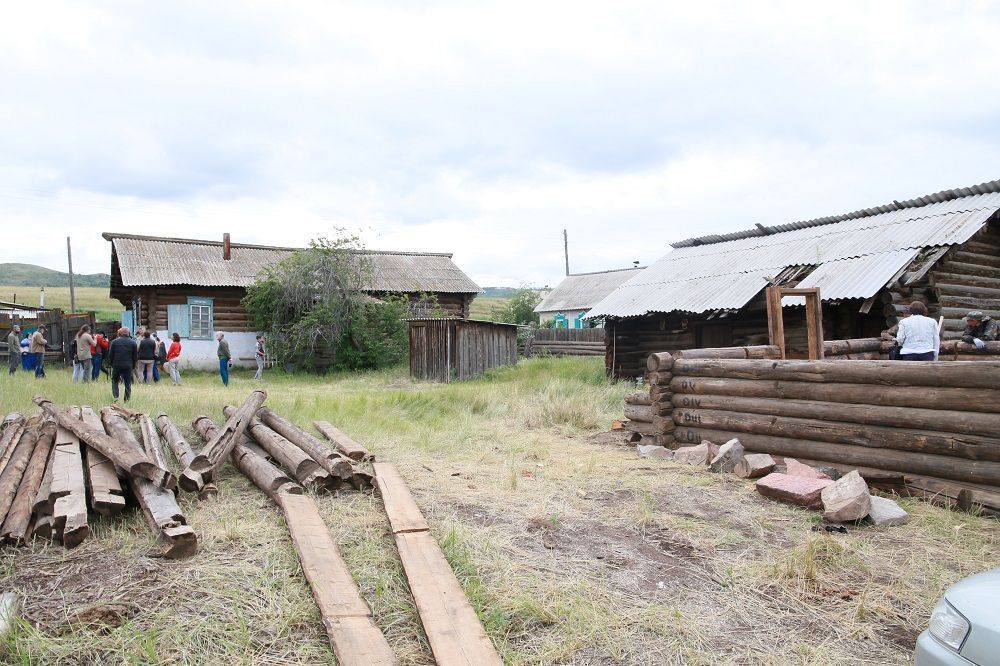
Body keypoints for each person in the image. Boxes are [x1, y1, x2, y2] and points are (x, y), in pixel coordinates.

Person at [108, 327, 138, 402]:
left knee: (115, 380)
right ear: (128, 333)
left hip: (117, 364)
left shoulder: (114, 342)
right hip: (128, 365)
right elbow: (135, 356)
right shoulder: (133, 342)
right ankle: (126, 400)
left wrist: (111, 363)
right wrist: (133, 365)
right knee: (128, 383)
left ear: (120, 333)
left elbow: (111, 354)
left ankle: (116, 396)